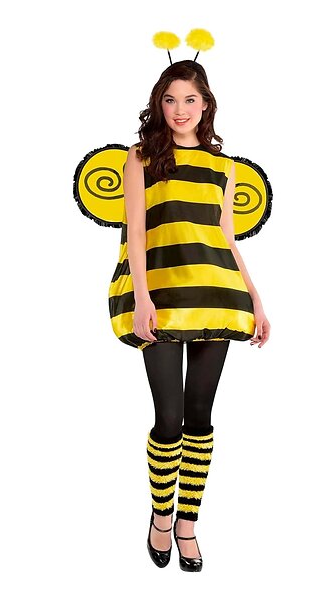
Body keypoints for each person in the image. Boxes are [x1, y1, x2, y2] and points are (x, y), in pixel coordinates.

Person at [117, 59, 270, 571]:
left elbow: (226, 236)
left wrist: (255, 299)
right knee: (169, 419)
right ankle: (161, 516)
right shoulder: (141, 158)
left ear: (205, 105)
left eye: (189, 99)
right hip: (161, 297)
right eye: (170, 99)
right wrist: (142, 298)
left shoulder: (224, 167)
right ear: (158, 105)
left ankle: (188, 523)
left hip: (217, 295)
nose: (179, 109)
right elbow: (136, 232)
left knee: (200, 417)